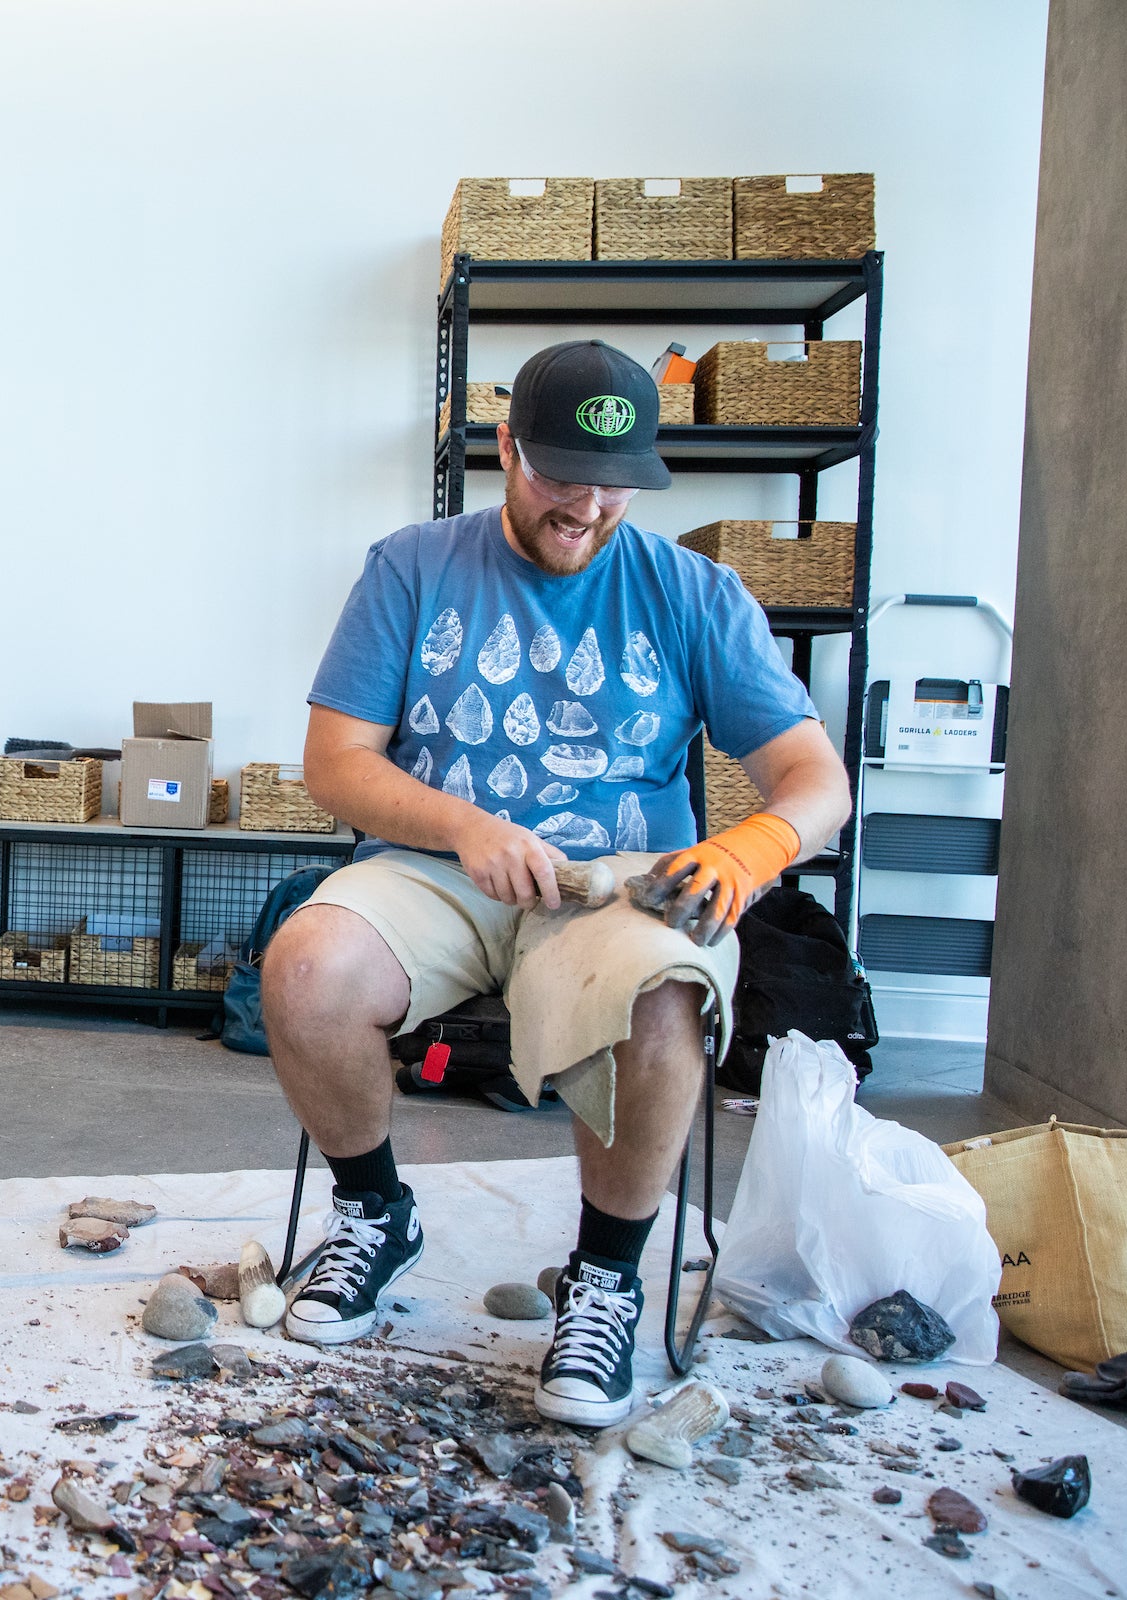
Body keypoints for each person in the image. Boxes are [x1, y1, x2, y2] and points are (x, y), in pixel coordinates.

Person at [262, 339, 851, 1426]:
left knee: (663, 993)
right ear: (503, 450)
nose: (584, 506)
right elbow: (334, 763)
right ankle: (376, 1213)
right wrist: (462, 824)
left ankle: (607, 1276)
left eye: (611, 482)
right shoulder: (411, 566)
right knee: (305, 968)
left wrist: (746, 851)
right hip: (434, 867)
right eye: (557, 476)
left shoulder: (694, 593)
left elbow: (818, 781)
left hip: (620, 882)